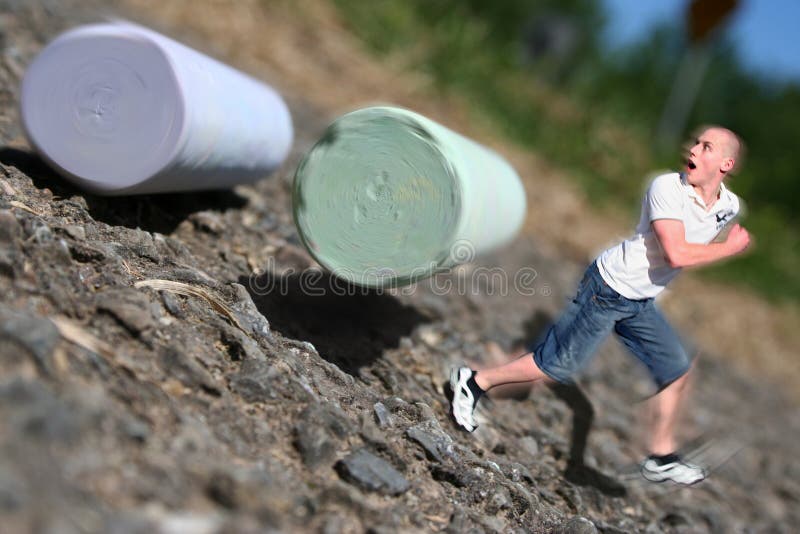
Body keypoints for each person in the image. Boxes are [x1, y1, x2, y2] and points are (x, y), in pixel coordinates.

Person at [448, 126, 751, 485]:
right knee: (553, 367)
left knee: (676, 369)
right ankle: (473, 381)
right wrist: (727, 249)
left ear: (726, 163)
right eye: (696, 142)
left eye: (706, 146)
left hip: (640, 300)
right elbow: (676, 252)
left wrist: (718, 243)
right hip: (608, 289)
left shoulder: (729, 207)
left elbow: (700, 232)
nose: (694, 148)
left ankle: (661, 457)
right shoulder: (666, 188)